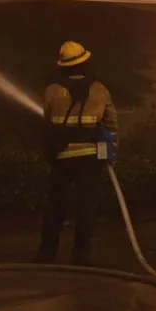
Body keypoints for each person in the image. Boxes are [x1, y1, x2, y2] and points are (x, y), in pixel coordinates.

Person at [35, 40, 118, 266]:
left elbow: (47, 120)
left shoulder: (52, 91)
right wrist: (111, 148)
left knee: (55, 206)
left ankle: (47, 254)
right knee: (86, 207)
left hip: (61, 157)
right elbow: (111, 123)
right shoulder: (99, 89)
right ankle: (81, 255)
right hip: (91, 158)